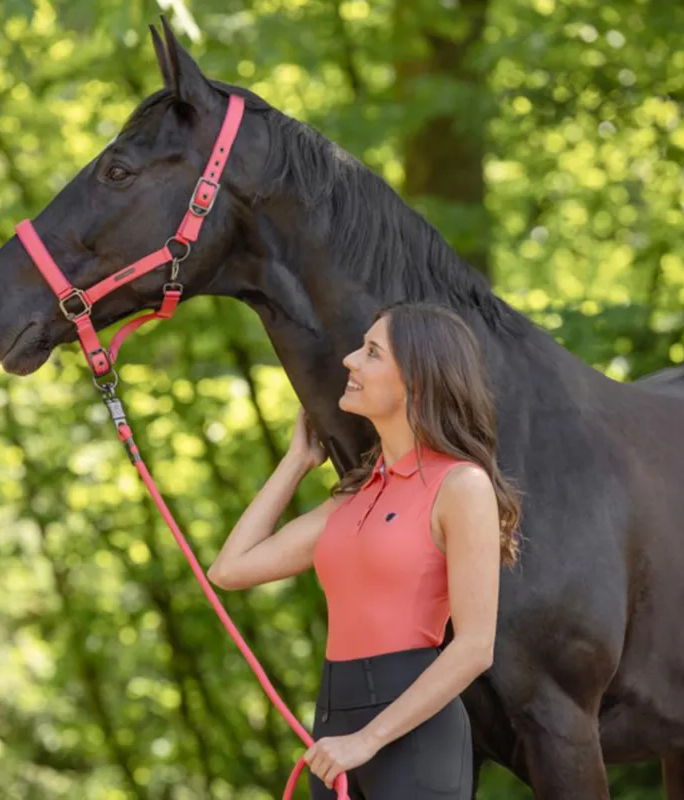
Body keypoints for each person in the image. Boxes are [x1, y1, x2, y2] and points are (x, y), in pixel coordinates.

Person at [207, 300, 522, 799]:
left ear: (416, 381)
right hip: (333, 729)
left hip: (410, 737)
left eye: (372, 352)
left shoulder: (461, 486)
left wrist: (366, 741)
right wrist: (295, 463)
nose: (350, 361)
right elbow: (230, 569)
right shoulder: (355, 497)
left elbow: (474, 648)